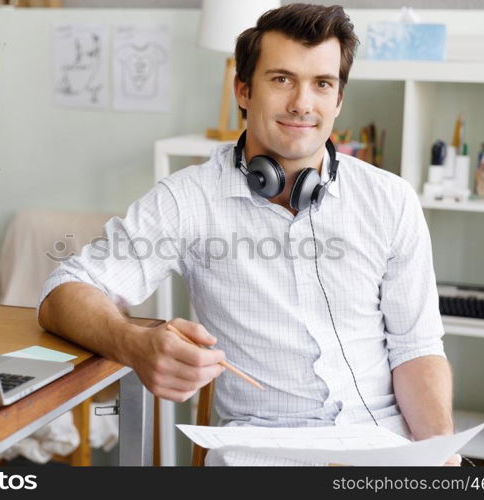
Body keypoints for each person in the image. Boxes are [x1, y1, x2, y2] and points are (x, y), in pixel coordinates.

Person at [38, 3, 458, 466]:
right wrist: (133, 344)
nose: (303, 103)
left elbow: (416, 348)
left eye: (322, 84)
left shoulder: (391, 200)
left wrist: (439, 452)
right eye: (282, 79)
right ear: (243, 90)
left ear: (338, 100)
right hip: (264, 454)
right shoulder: (188, 199)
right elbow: (64, 293)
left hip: (385, 447)